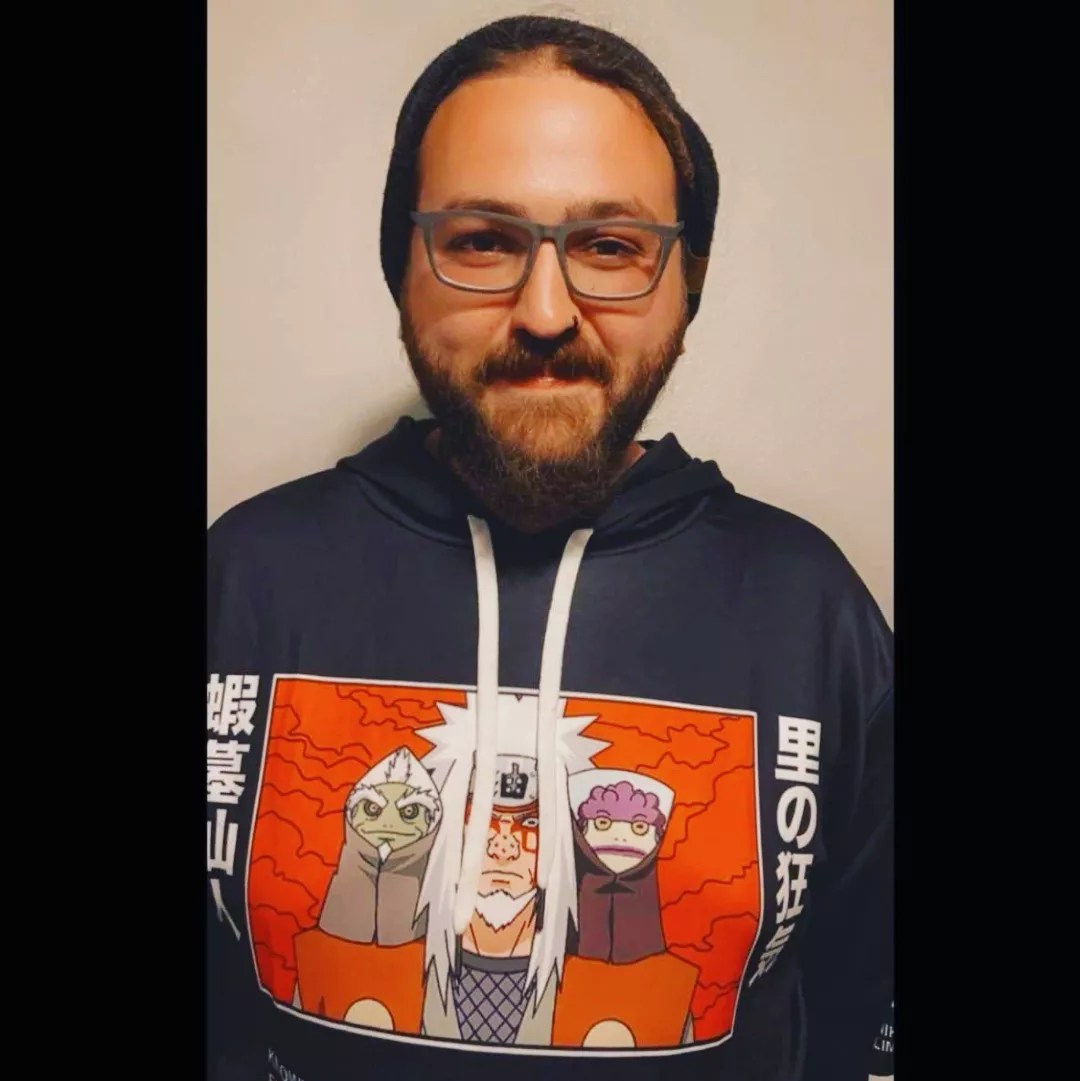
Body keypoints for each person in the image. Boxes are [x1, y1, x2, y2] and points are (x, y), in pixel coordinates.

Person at [206, 14, 893, 1081]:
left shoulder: (815, 609)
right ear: (401, 270)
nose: (543, 311)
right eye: (481, 240)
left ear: (687, 284)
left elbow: (858, 1000)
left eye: (610, 247)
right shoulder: (243, 577)